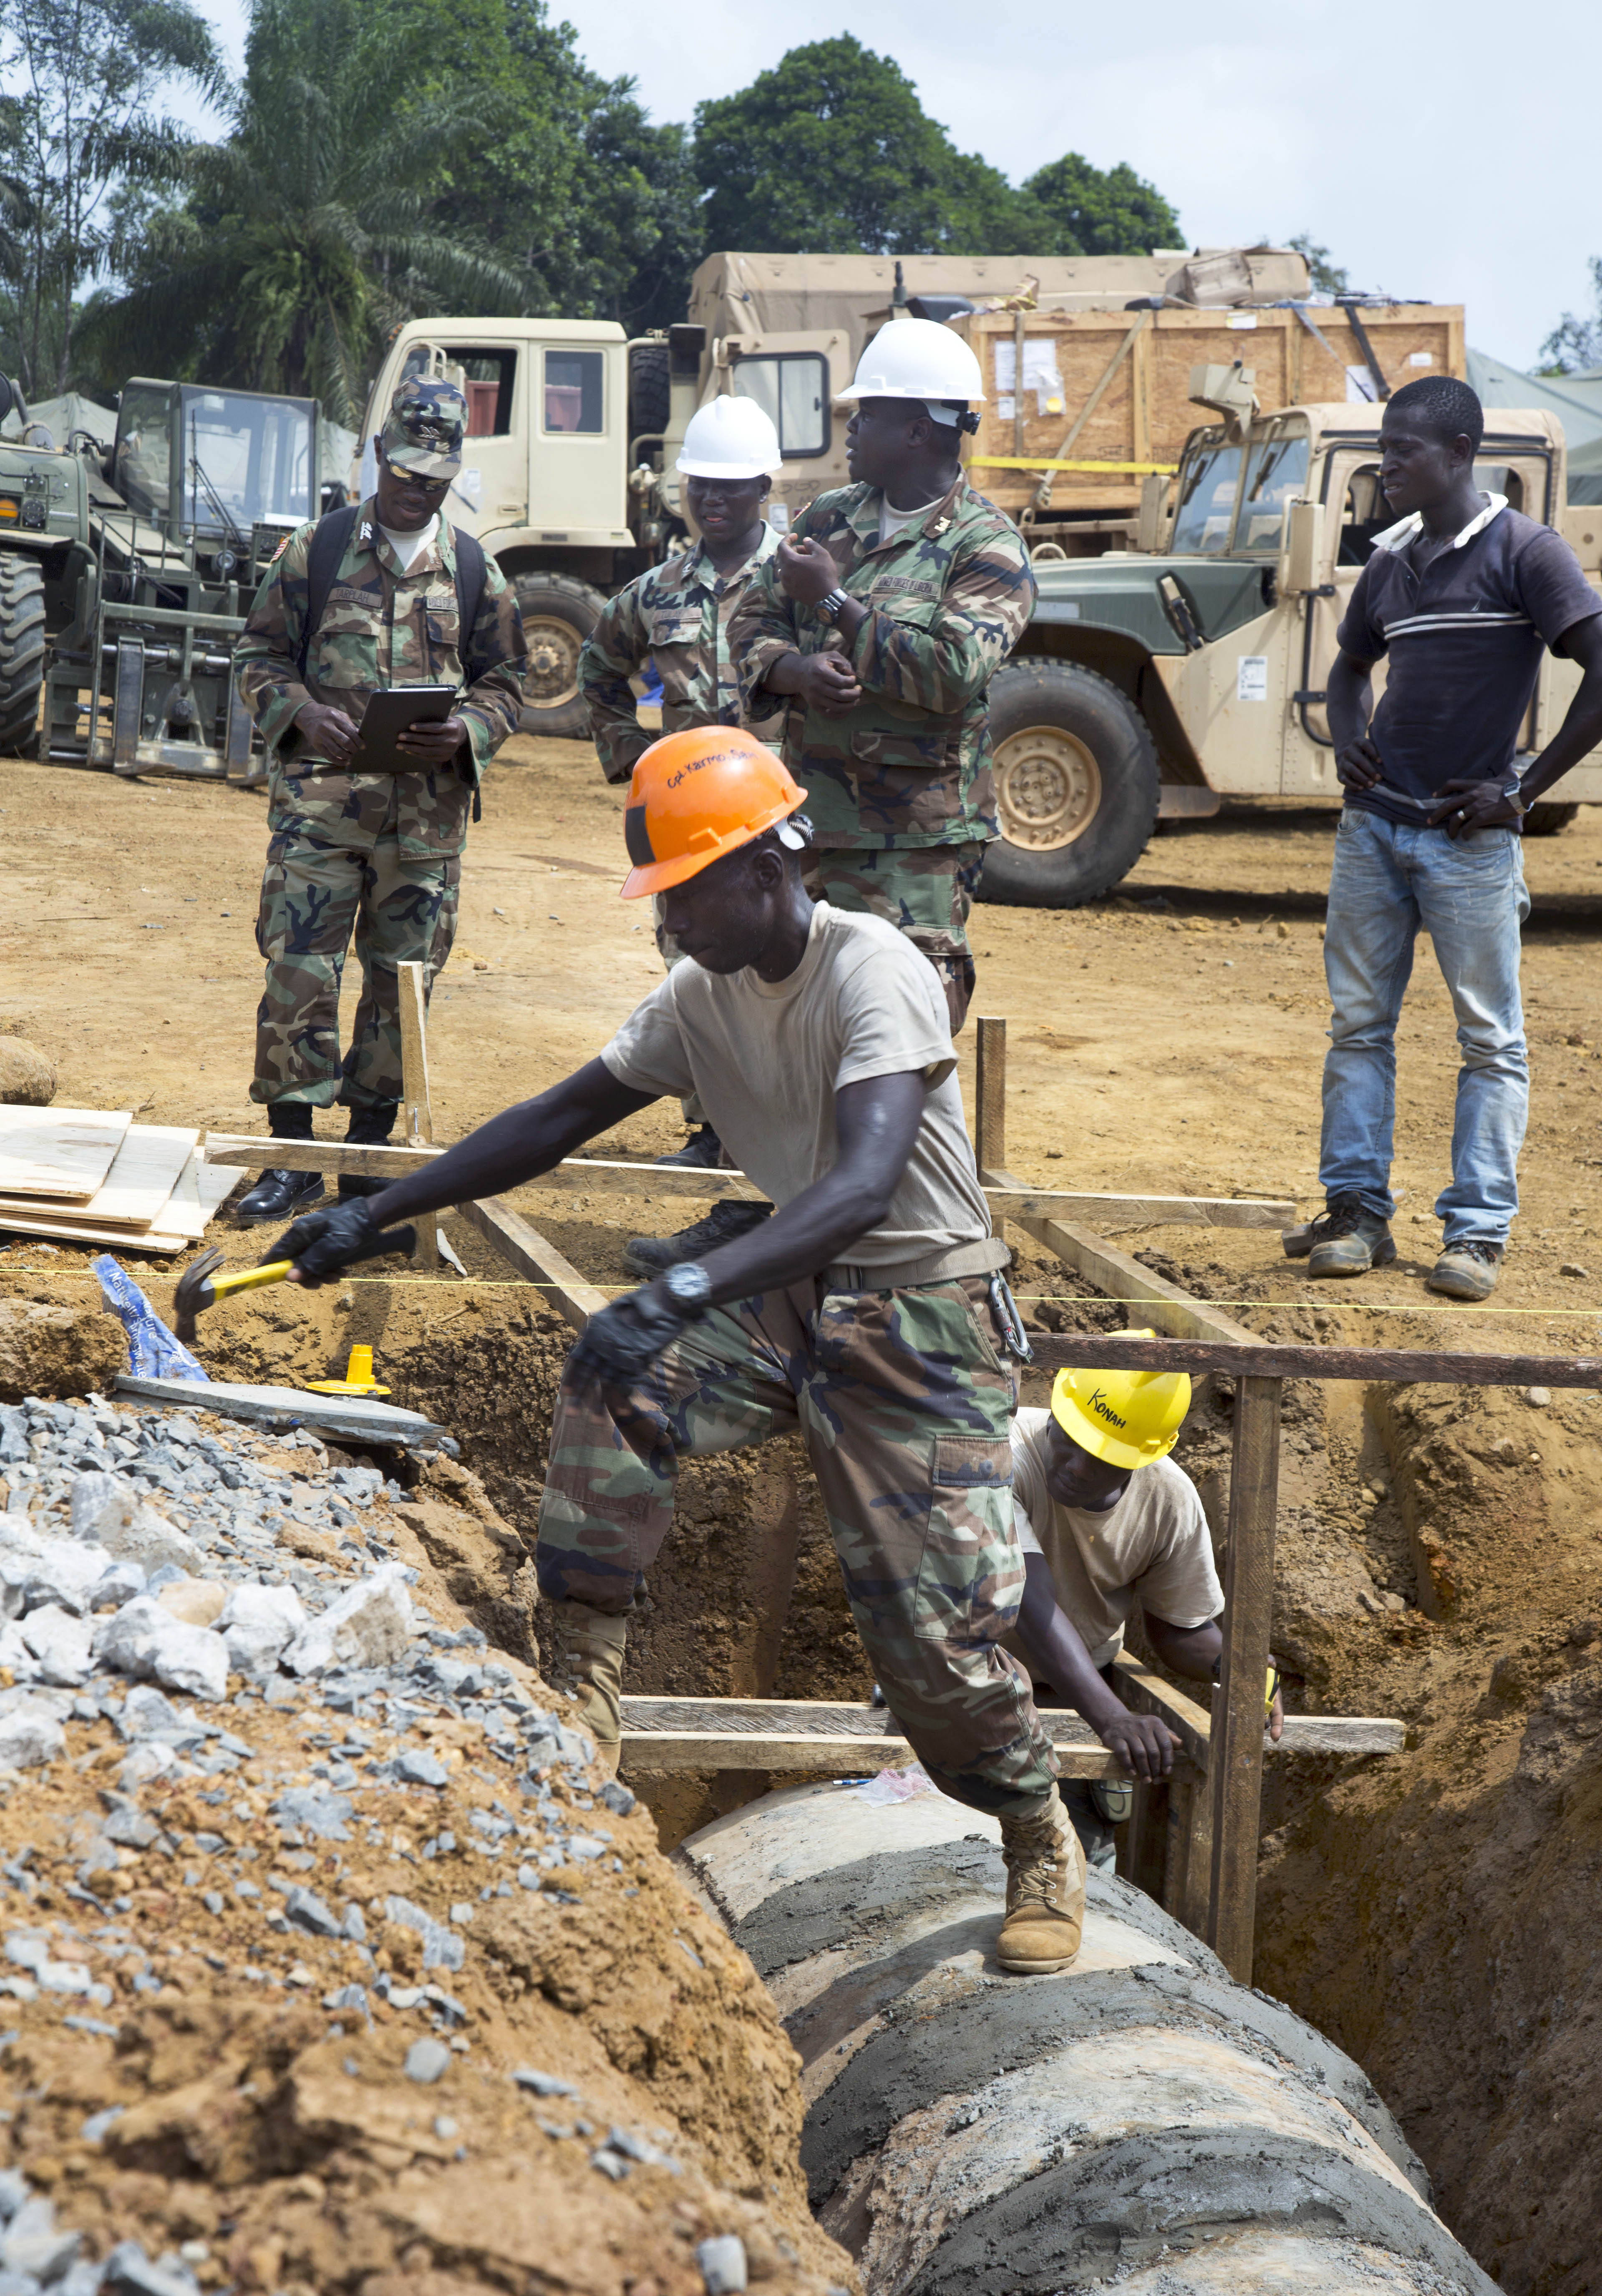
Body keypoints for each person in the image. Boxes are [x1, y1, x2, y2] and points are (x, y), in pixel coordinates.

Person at [262, 725, 1085, 1977]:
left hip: (921, 1324)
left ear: (762, 867)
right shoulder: (699, 994)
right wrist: (375, 1210)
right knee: (621, 1371)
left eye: (685, 893)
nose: (671, 923)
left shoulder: (876, 970)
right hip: (790, 1290)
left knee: (934, 1649)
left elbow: (863, 1183)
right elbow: (559, 1115)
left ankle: (1036, 1831)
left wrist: (694, 1277)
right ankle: (585, 1689)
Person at [1292, 375, 1602, 1300]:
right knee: (1358, 1026)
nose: (1386, 467)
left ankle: (1475, 1235)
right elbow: (1350, 671)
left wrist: (1524, 790)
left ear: (1462, 457)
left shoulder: (1525, 552)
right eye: (1382, 450)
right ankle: (1356, 1214)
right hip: (1374, 831)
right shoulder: (1393, 563)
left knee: (1489, 1040)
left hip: (1470, 841)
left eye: (1404, 452)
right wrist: (1350, 739)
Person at [230, 375, 528, 1221]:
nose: (415, 491)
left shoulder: (475, 571)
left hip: (424, 827)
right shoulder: (315, 552)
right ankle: (291, 1157)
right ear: (376, 458)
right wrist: (299, 714)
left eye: (433, 481)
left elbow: (508, 683)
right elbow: (257, 657)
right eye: (403, 474)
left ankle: (365, 1159)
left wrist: (468, 733)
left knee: (403, 987)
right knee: (300, 972)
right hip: (319, 810)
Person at [730, 316, 1035, 1040]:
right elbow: (751, 620)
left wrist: (837, 606)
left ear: (918, 432)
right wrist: (795, 672)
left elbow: (953, 673)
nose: (851, 429)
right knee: (796, 1017)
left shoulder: (987, 547)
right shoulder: (829, 517)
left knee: (901, 1028)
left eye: (866, 414)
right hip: (811, 829)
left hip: (916, 849)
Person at [579, 394, 786, 1270]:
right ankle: (715, 1135)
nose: (715, 503)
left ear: (766, 490)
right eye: (702, 487)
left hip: (779, 826)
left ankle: (772, 1172)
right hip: (692, 834)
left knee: (785, 993)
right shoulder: (657, 591)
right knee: (698, 982)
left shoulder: (797, 583)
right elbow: (601, 669)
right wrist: (635, 754)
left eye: (733, 489)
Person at [1004, 1346, 1282, 1871]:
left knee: (1085, 1883)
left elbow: (1181, 1630)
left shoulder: (1169, 1499)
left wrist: (1237, 1669)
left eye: (1105, 1458)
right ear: (1059, 1411)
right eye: (1071, 1440)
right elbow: (1027, 1599)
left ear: (1146, 1455)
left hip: (1071, 1700)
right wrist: (1112, 1718)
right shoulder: (1002, 1454)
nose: (1076, 1467)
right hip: (969, 1687)